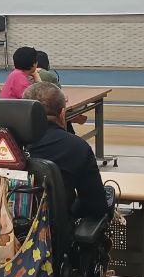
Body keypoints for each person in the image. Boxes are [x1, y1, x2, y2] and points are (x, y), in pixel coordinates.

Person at [22, 82, 110, 220]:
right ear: (62, 114)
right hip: (57, 237)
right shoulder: (77, 147)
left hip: (4, 236)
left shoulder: (2, 146)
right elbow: (95, 207)